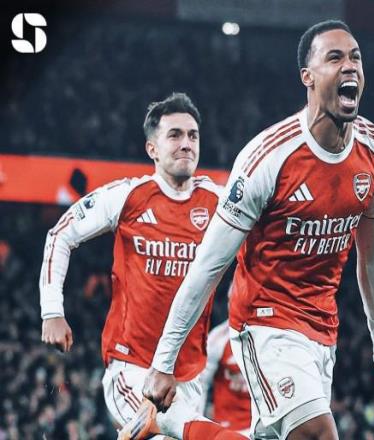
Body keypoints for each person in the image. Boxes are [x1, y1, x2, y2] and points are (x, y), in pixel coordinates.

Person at [143, 20, 374, 440]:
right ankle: (174, 420)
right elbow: (209, 264)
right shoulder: (268, 158)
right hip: (263, 321)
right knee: (318, 434)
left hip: (321, 329)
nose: (350, 66)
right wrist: (164, 362)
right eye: (335, 58)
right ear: (308, 77)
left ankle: (170, 426)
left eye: (356, 57)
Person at [39, 92, 246, 440]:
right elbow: (60, 234)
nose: (186, 144)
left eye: (193, 136)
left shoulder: (219, 202)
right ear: (152, 149)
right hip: (133, 367)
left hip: (188, 374)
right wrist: (52, 311)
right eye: (174, 135)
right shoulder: (127, 197)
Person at [200, 284, 252, 436]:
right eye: (231, 300)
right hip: (227, 428)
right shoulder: (217, 339)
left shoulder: (267, 340)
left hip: (261, 428)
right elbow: (201, 384)